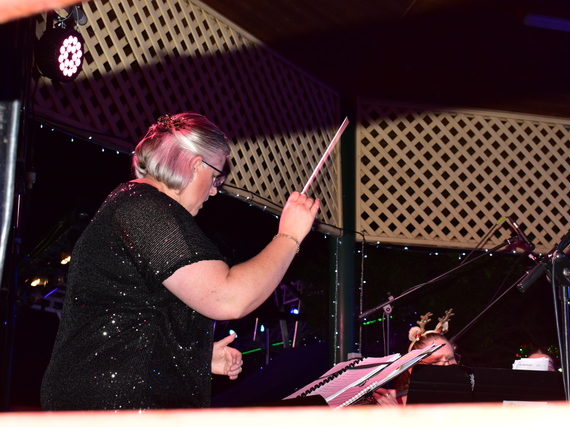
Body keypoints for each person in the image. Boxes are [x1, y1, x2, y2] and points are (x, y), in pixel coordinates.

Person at [40, 112, 320, 410]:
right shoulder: (145, 209)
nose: (215, 189)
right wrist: (289, 236)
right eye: (216, 176)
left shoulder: (135, 207)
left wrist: (194, 356)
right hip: (113, 408)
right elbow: (228, 298)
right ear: (196, 165)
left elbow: (134, 320)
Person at [374, 309, 458, 406]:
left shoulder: (466, 400)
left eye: (450, 358)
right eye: (435, 361)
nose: (447, 366)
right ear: (413, 368)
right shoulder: (392, 401)